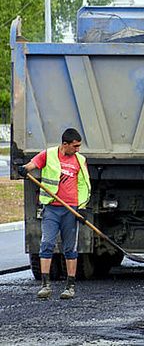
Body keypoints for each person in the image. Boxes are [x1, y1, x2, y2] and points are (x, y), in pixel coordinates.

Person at [17, 128, 91, 300]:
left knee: (69, 248)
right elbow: (32, 165)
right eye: (75, 146)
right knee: (47, 244)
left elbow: (84, 185)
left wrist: (82, 207)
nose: (78, 149)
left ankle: (70, 286)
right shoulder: (49, 154)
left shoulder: (80, 160)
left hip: (71, 209)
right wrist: (24, 169)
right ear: (65, 144)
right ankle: (45, 285)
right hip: (51, 208)